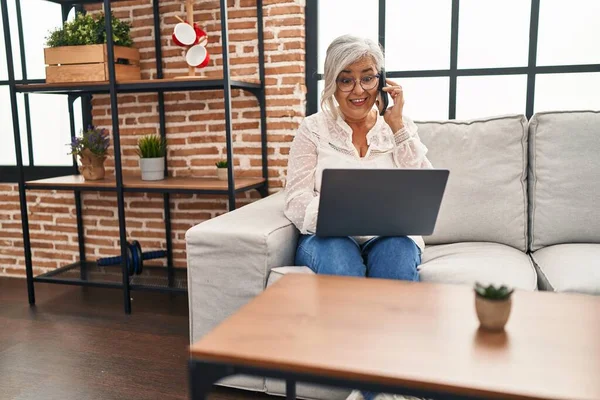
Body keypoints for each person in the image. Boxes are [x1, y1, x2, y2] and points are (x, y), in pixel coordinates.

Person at [282, 34, 433, 400]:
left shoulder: (398, 127)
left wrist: (398, 127)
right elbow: (296, 199)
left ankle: (364, 390)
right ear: (332, 83)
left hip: (390, 236)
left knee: (397, 253)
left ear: (381, 80)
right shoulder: (313, 129)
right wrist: (335, 214)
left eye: (368, 76)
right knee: (339, 258)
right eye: (346, 78)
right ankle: (384, 389)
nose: (358, 89)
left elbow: (424, 186)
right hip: (330, 236)